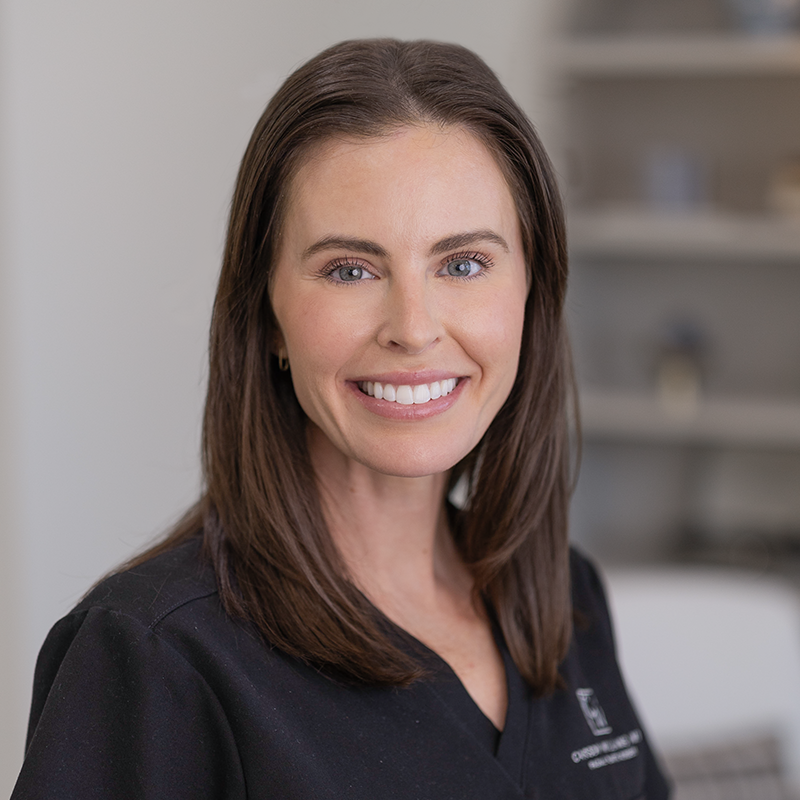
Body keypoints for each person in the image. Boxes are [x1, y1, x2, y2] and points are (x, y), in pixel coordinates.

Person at [12, 39, 670, 799]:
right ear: (268, 314)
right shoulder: (153, 657)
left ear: (532, 290)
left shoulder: (562, 595)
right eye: (350, 270)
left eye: (463, 263)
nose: (414, 328)